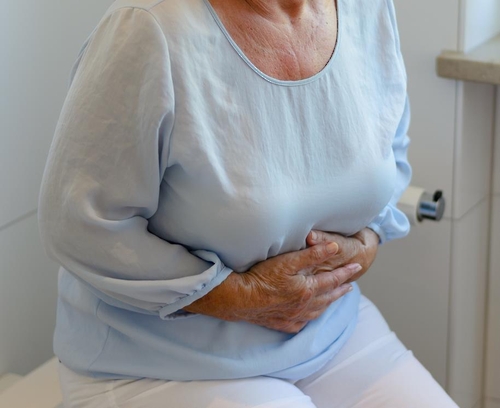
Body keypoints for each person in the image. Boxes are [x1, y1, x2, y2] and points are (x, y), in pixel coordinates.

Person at [38, 0, 459, 406]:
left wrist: (367, 242)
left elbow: (390, 147)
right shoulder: (148, 28)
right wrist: (242, 295)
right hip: (161, 362)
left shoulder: (368, 7)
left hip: (327, 329)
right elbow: (79, 223)